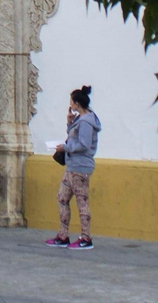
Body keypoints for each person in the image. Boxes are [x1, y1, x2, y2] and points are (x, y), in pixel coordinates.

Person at [48, 85, 101, 251]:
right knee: (62, 198)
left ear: (77, 103)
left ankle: (86, 238)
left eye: (71, 102)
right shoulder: (80, 119)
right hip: (72, 166)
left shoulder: (86, 122)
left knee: (81, 201)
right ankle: (63, 235)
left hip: (80, 167)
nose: (70, 104)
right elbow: (73, 137)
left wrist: (66, 148)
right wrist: (69, 122)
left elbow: (84, 144)